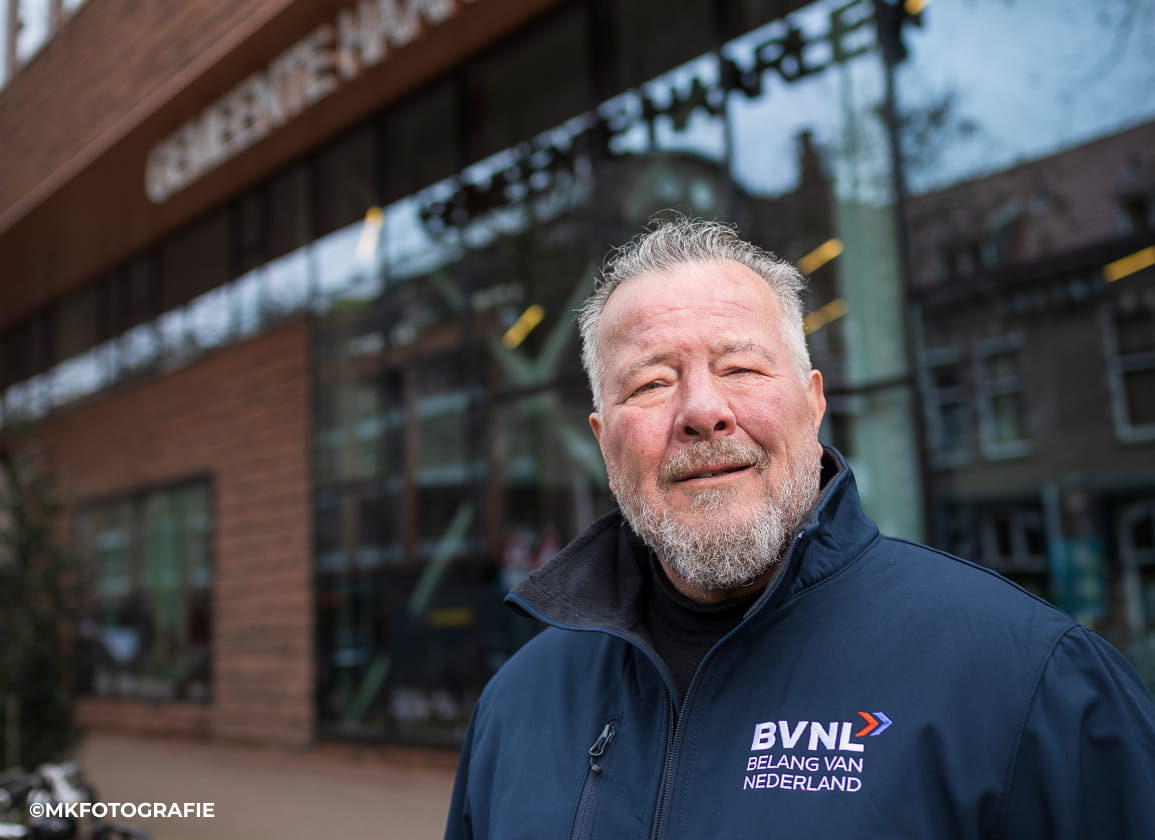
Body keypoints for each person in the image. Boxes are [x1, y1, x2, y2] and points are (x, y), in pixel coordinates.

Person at [444, 218, 1155, 839]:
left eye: (741, 367)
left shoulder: (1033, 682)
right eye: (650, 383)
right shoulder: (515, 706)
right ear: (604, 441)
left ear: (811, 405)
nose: (702, 410)